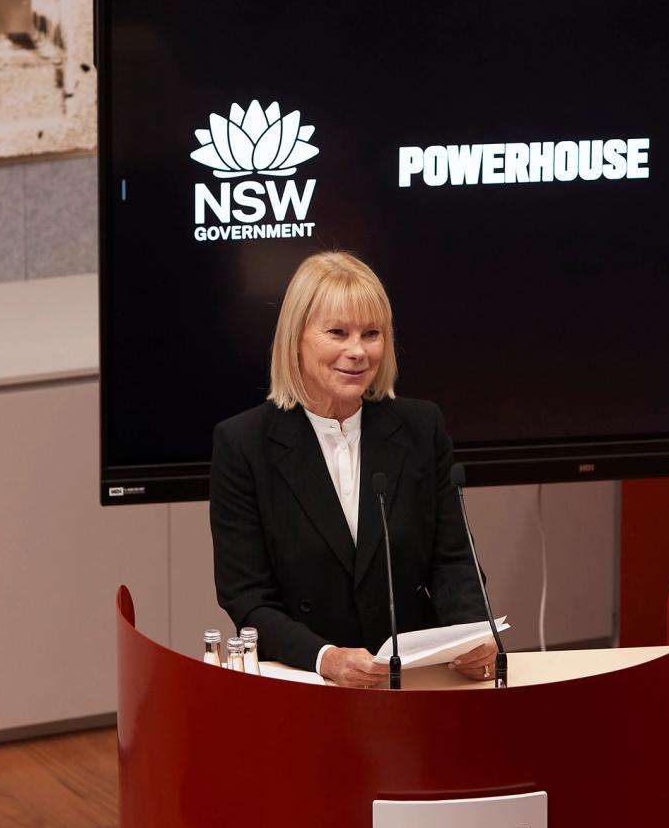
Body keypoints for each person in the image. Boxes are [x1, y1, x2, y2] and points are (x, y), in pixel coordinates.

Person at [210, 251, 499, 688]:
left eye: (371, 334)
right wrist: (325, 658)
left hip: (411, 677)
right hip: (304, 681)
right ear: (296, 339)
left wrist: (473, 634)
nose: (358, 351)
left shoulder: (421, 428)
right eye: (337, 333)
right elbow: (246, 597)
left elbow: (453, 561)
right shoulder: (244, 444)